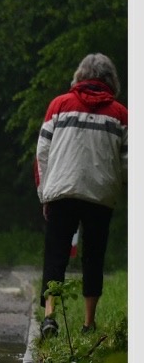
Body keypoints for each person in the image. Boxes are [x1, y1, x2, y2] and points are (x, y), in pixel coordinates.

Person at [35, 53, 128, 337]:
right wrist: (119, 188)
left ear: (80, 76)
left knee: (56, 253)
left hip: (62, 191)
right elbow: (128, 162)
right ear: (110, 80)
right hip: (100, 195)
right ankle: (89, 322)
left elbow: (42, 153)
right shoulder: (121, 115)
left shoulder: (59, 106)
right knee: (94, 256)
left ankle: (50, 316)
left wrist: (44, 193)